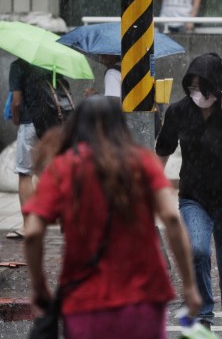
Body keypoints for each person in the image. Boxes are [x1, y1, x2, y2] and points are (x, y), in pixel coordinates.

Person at [22, 95, 201, 339]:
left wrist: (39, 286)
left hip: (85, 302)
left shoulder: (63, 168)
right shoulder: (142, 162)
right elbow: (171, 217)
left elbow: (32, 232)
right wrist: (189, 286)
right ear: (120, 125)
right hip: (144, 299)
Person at [156, 53, 222, 339]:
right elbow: (163, 148)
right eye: (192, 86)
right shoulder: (178, 112)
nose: (197, 93)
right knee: (197, 251)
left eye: (202, 86)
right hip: (194, 197)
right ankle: (203, 317)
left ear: (216, 85)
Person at [6, 59, 51, 239]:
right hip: (51, 125)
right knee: (50, 172)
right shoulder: (50, 63)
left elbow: (16, 102)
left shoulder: (18, 65)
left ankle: (28, 226)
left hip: (30, 124)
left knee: (25, 174)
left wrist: (16, 119)